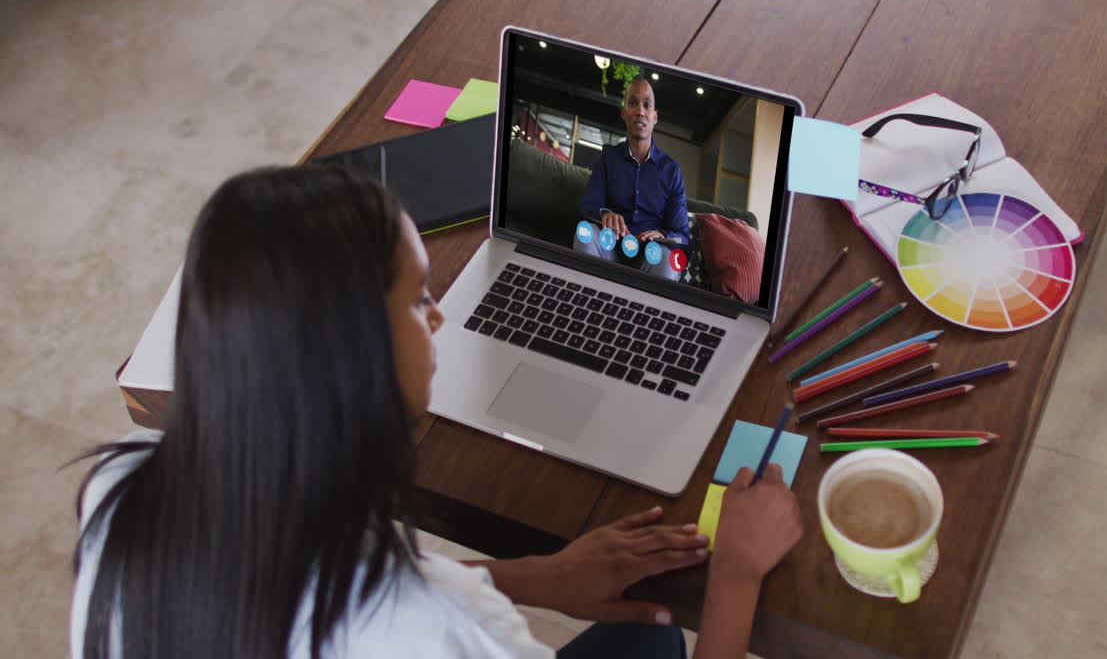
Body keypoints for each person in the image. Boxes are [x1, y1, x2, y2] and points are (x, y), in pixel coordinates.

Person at [71, 165, 802, 659]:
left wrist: (535, 577)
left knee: (646, 638)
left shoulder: (123, 491)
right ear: (358, 361)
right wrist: (735, 572)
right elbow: (411, 615)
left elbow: (323, 584)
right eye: (420, 299)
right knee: (662, 636)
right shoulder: (442, 634)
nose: (441, 318)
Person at [575, 79, 690, 281]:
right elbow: (586, 206)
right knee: (584, 234)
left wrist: (662, 234)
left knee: (667, 258)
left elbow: (681, 234)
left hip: (650, 256)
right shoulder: (607, 159)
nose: (640, 111)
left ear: (655, 117)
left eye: (647, 105)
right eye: (633, 103)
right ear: (624, 113)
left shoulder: (671, 170)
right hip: (609, 247)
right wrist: (605, 214)